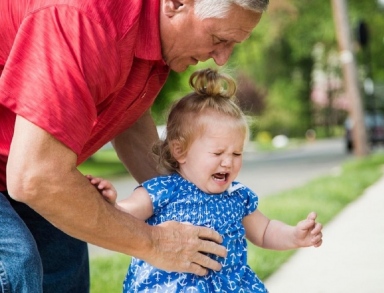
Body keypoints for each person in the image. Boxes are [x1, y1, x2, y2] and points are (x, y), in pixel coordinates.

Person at [0, 0, 269, 292]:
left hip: (20, 166)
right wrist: (155, 243)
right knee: (17, 262)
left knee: (66, 258)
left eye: (233, 44)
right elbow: (35, 177)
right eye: (218, 39)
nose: (221, 58)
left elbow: (127, 115)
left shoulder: (158, 40)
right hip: (28, 169)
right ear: (177, 3)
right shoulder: (85, 20)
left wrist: (188, 204)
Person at [88, 68, 324, 292]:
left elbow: (265, 231)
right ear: (180, 151)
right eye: (218, 153)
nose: (228, 162)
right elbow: (124, 215)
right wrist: (111, 202)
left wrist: (294, 235)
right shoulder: (163, 190)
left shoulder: (237, 196)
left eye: (236, 154)